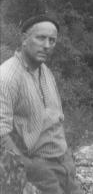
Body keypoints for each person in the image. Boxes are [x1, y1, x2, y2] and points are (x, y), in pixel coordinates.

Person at [0, 15, 82, 194]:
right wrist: (28, 166)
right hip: (40, 167)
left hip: (64, 162)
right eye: (40, 38)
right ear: (24, 39)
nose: (46, 45)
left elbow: (55, 119)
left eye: (52, 40)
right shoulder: (7, 77)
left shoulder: (45, 71)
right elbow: (1, 131)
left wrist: (67, 158)